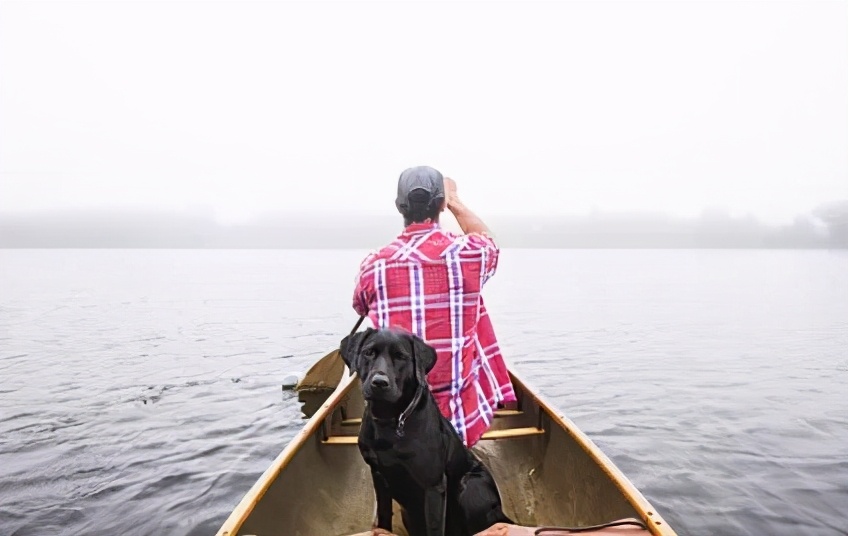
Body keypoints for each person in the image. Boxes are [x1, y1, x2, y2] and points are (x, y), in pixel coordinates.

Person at [352, 165, 516, 447]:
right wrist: (455, 200)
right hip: (456, 423)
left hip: (396, 412)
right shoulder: (470, 254)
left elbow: (360, 306)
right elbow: (490, 241)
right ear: (440, 204)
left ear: (398, 206)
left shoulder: (373, 265)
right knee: (475, 319)